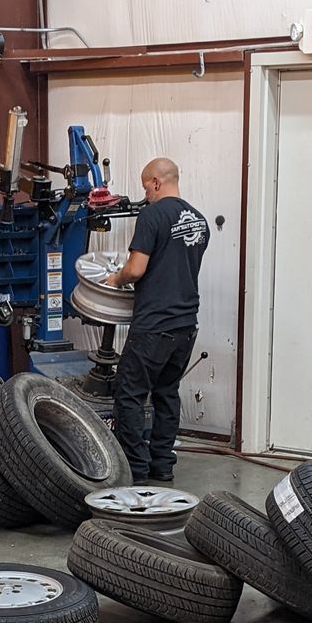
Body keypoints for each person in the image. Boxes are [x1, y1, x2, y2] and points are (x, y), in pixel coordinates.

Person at [111, 157, 209, 484]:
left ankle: (135, 472)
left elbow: (137, 269)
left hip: (155, 324)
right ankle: (162, 466)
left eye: (146, 188)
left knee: (129, 393)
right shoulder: (199, 221)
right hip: (186, 324)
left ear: (156, 182)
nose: (146, 195)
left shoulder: (152, 215)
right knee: (167, 391)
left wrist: (116, 279)